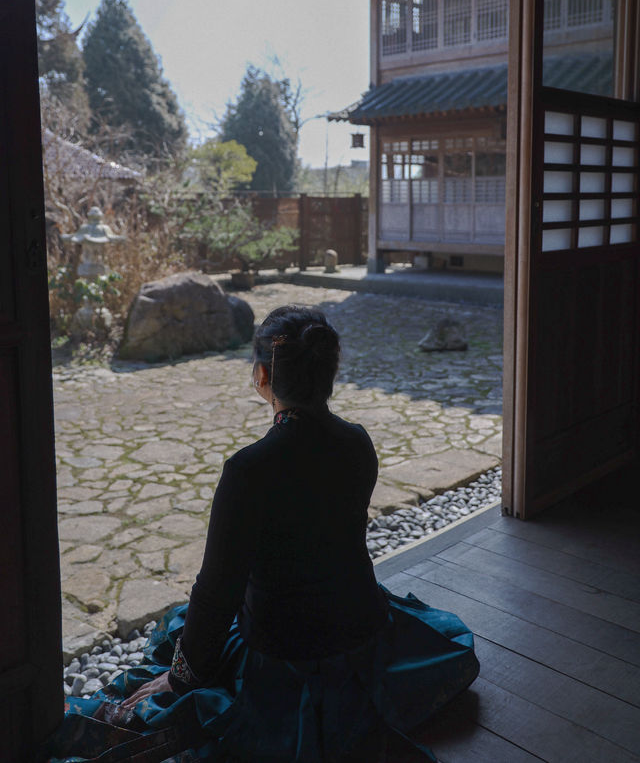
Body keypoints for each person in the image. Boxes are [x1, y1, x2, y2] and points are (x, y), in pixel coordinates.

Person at [46, 305, 479, 763]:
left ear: (261, 377)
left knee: (178, 645)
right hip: (361, 628)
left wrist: (179, 679)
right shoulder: (357, 441)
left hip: (283, 652)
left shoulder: (249, 469)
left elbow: (217, 595)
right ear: (328, 374)